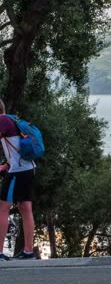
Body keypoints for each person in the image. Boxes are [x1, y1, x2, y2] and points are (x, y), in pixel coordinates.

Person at [0, 99, 36, 260]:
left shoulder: (2, 120)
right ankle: (28, 251)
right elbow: (16, 147)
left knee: (2, 209)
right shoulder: (10, 119)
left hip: (18, 172)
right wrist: (6, 165)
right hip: (28, 169)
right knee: (25, 209)